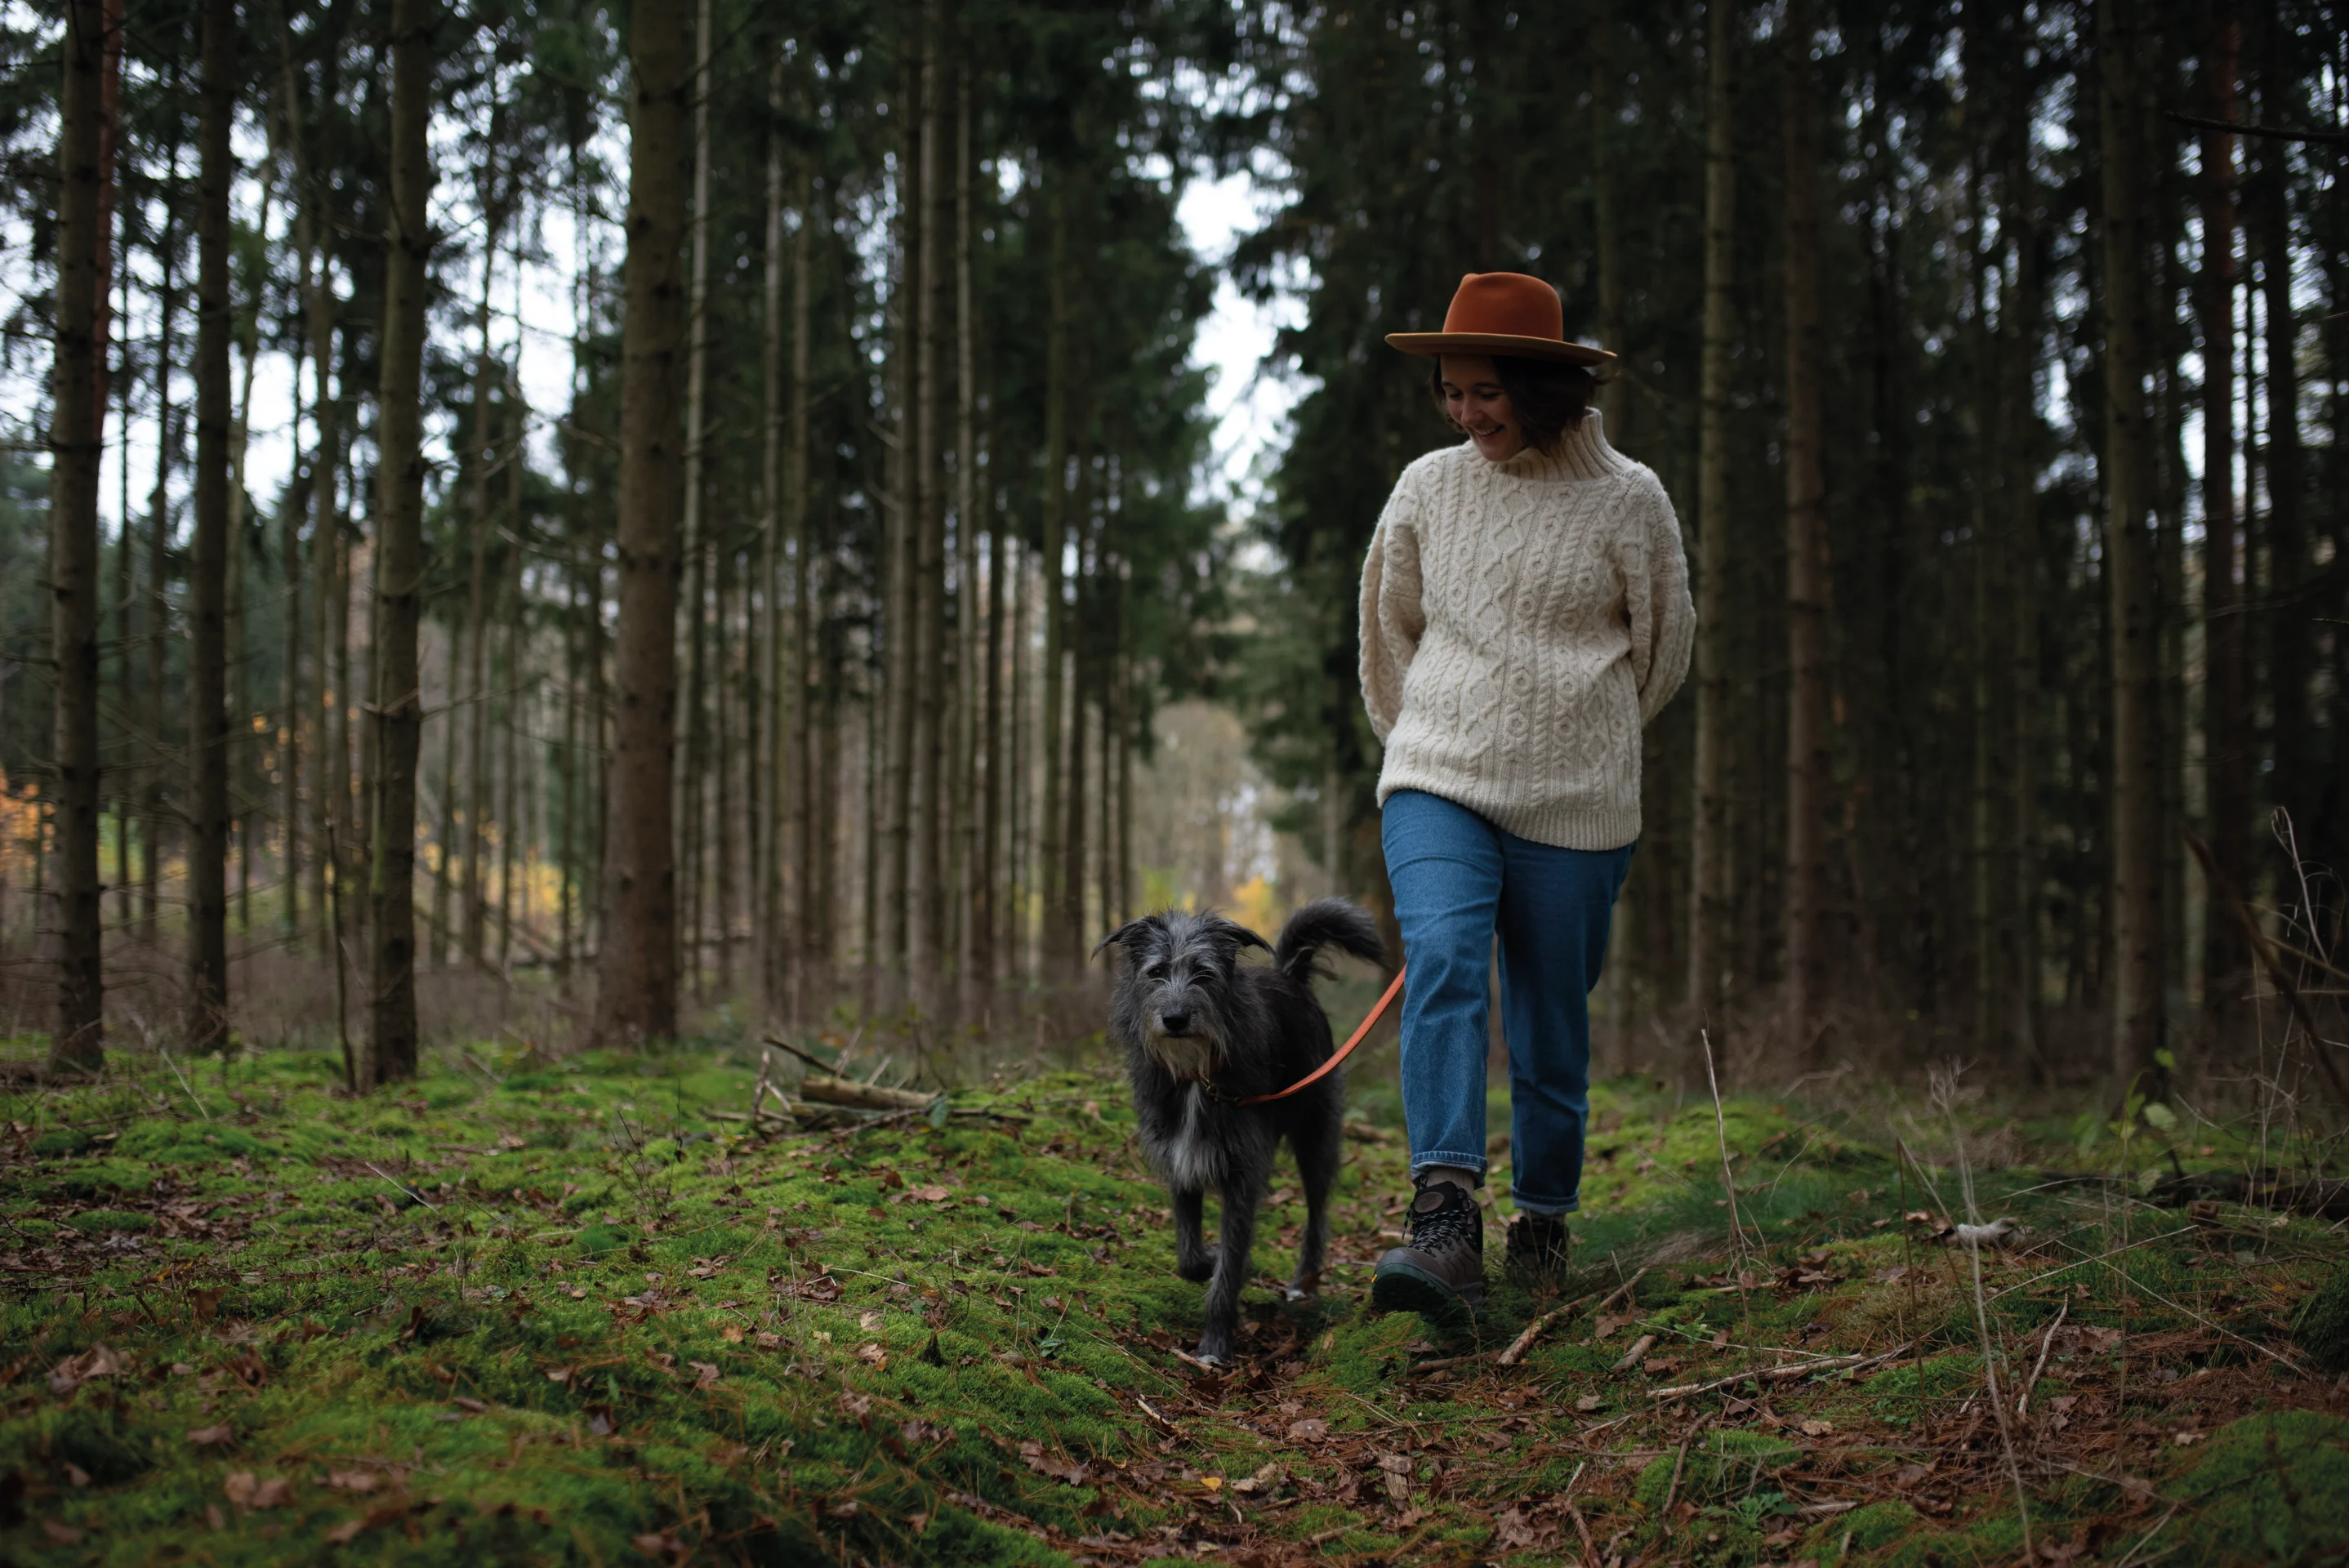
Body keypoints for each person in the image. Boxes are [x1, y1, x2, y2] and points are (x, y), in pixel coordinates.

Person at [1360, 271, 1694, 1312]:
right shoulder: (1427, 486)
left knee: (1551, 1022)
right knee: (1448, 961)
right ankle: (1443, 1214)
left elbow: (1665, 648)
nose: (1464, 413)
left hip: (1578, 803)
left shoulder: (1630, 498)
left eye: (1484, 393)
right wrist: (1420, 737)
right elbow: (1386, 629)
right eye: (1449, 393)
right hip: (1436, 780)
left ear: (1544, 385)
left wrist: (1577, 735)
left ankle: (1542, 1218)